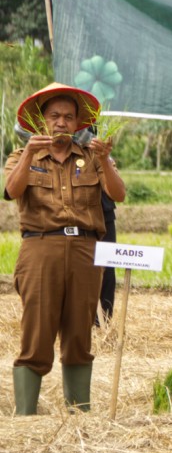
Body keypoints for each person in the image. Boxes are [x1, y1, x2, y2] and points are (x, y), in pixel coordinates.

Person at [3, 83, 126, 415]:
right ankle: (26, 416)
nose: (61, 123)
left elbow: (118, 194)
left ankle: (78, 414)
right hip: (40, 248)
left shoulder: (92, 157)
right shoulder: (21, 155)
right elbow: (12, 191)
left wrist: (106, 159)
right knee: (37, 332)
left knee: (79, 334)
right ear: (41, 121)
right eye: (54, 116)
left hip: (86, 250)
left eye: (68, 117)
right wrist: (29, 153)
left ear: (77, 124)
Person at [14, 122, 118, 326]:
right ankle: (57, 321)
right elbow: (21, 129)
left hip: (98, 206)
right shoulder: (46, 126)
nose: (62, 121)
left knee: (104, 266)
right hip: (61, 203)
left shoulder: (88, 128)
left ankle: (101, 321)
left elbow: (114, 183)